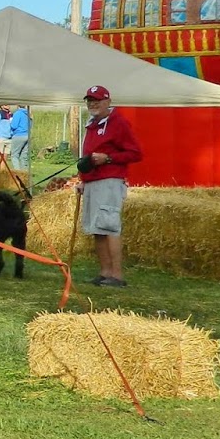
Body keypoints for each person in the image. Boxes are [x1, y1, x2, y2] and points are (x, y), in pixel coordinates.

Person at [78, 85, 142, 287]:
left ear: (108, 102)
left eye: (97, 100)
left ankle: (117, 275)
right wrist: (82, 178)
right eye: (89, 100)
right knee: (97, 228)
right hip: (92, 181)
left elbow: (135, 153)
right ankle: (105, 272)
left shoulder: (118, 122)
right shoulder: (92, 124)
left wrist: (108, 158)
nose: (93, 104)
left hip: (109, 181)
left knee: (109, 226)